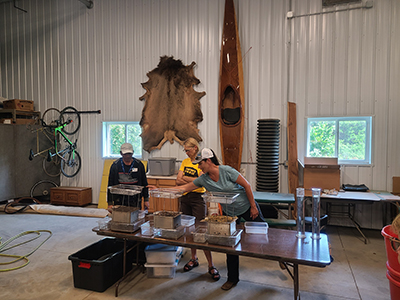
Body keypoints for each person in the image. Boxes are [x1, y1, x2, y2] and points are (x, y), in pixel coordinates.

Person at [175, 148, 265, 290]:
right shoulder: (204, 179)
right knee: (230, 246)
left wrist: (253, 206)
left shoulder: (226, 171)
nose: (198, 166)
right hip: (230, 213)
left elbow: (247, 186)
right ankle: (232, 279)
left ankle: (281, 259)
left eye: (200, 163)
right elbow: (184, 188)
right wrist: (158, 190)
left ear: (208, 161)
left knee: (264, 234)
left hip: (247, 207)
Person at [176, 138, 220, 281]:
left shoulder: (201, 162)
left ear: (195, 148)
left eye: (188, 150)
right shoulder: (184, 162)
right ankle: (193, 258)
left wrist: (188, 179)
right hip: (185, 197)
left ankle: (211, 265)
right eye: (185, 151)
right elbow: (178, 180)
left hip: (198, 199)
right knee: (189, 230)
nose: (186, 153)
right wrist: (193, 180)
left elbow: (201, 183)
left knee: (201, 230)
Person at [107, 143, 149, 210]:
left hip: (135, 198)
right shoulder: (115, 166)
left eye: (129, 154)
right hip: (119, 198)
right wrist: (110, 203)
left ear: (133, 153)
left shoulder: (139, 165)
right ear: (121, 153)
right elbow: (110, 184)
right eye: (125, 154)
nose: (127, 156)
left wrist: (146, 200)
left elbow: (144, 183)